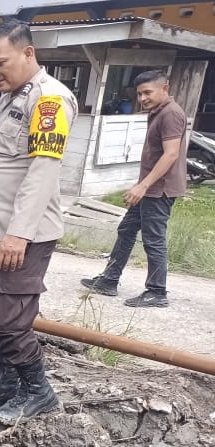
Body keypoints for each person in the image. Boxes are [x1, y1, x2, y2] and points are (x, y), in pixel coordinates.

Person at [0, 20, 78, 425]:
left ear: (28, 53)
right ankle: (3, 381)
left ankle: (38, 390)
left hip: (22, 235)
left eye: (0, 63)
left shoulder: (49, 100)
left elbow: (42, 170)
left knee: (9, 320)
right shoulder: (13, 96)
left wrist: (18, 233)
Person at [80, 69, 187, 308]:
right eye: (139, 94)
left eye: (147, 92)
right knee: (127, 230)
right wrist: (141, 185)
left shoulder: (170, 114)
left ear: (165, 88)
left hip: (160, 190)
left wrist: (144, 185)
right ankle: (109, 279)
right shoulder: (158, 112)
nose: (142, 99)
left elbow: (171, 155)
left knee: (153, 239)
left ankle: (157, 291)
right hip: (150, 188)